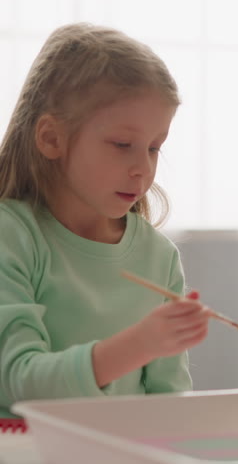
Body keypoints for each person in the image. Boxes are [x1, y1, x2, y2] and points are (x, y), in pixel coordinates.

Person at [0, 22, 210, 418]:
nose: (142, 169)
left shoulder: (159, 256)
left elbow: (169, 404)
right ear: (51, 138)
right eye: (121, 145)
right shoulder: (11, 236)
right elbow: (18, 381)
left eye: (153, 147)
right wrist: (137, 346)